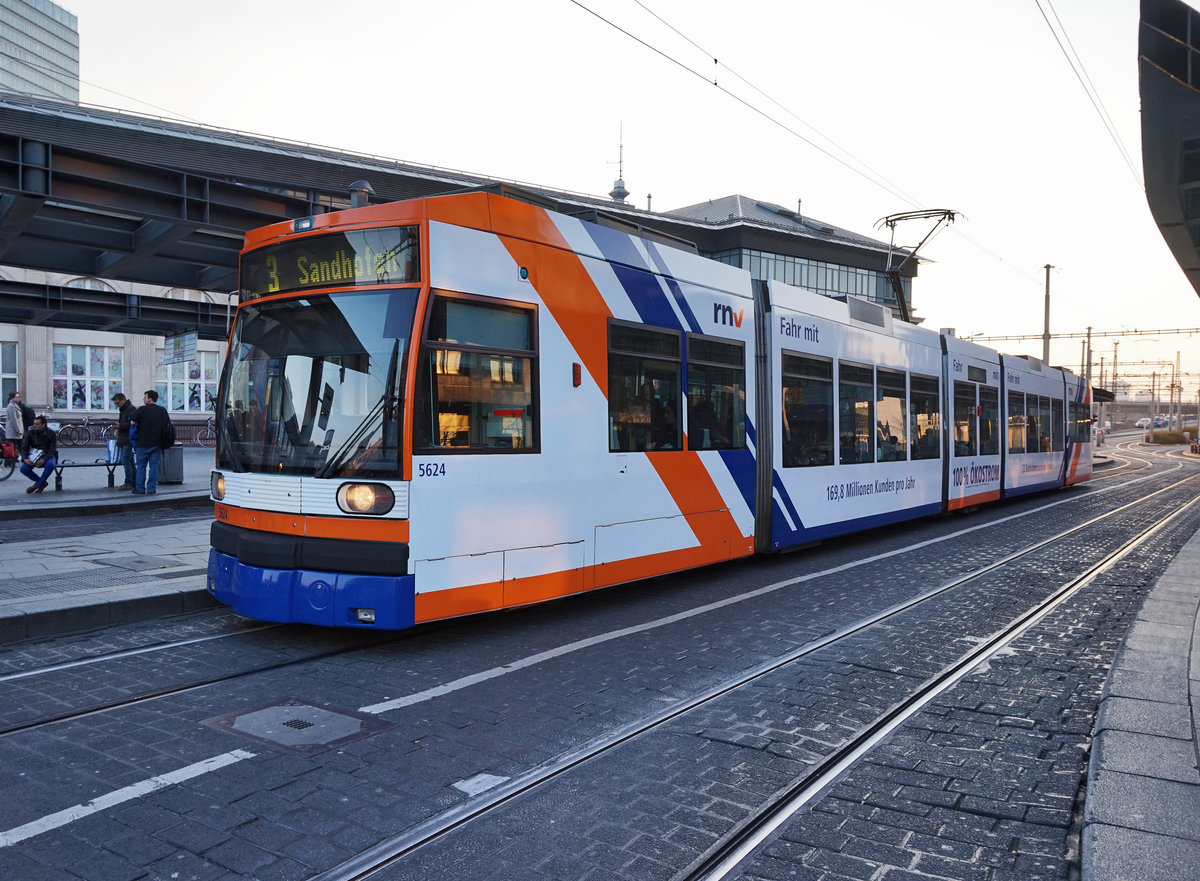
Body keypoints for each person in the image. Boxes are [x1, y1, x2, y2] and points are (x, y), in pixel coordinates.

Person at [130, 389, 171, 495]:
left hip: (142, 443)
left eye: (145, 397)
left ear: (150, 399)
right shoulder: (162, 410)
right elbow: (167, 424)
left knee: (141, 467)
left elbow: (132, 422)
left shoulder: (142, 410)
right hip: (157, 444)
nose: (143, 399)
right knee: (154, 467)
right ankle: (151, 489)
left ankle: (140, 488)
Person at [19, 414, 57, 494]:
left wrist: (44, 459)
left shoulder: (51, 433)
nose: (35, 426)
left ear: (43, 424)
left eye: (37, 424)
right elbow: (25, 447)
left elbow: (52, 449)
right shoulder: (30, 433)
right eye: (34, 424)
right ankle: (42, 483)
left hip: (48, 455)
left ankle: (37, 485)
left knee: (50, 465)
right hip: (34, 455)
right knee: (24, 469)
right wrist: (25, 458)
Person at [111, 392, 137, 490]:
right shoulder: (124, 409)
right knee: (130, 461)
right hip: (125, 438)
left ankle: (129, 482)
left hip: (128, 439)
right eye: (115, 403)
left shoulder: (130, 409)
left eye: (117, 403)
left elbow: (132, 424)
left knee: (125, 460)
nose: (117, 405)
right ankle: (135, 481)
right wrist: (120, 425)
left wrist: (120, 426)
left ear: (123, 400)